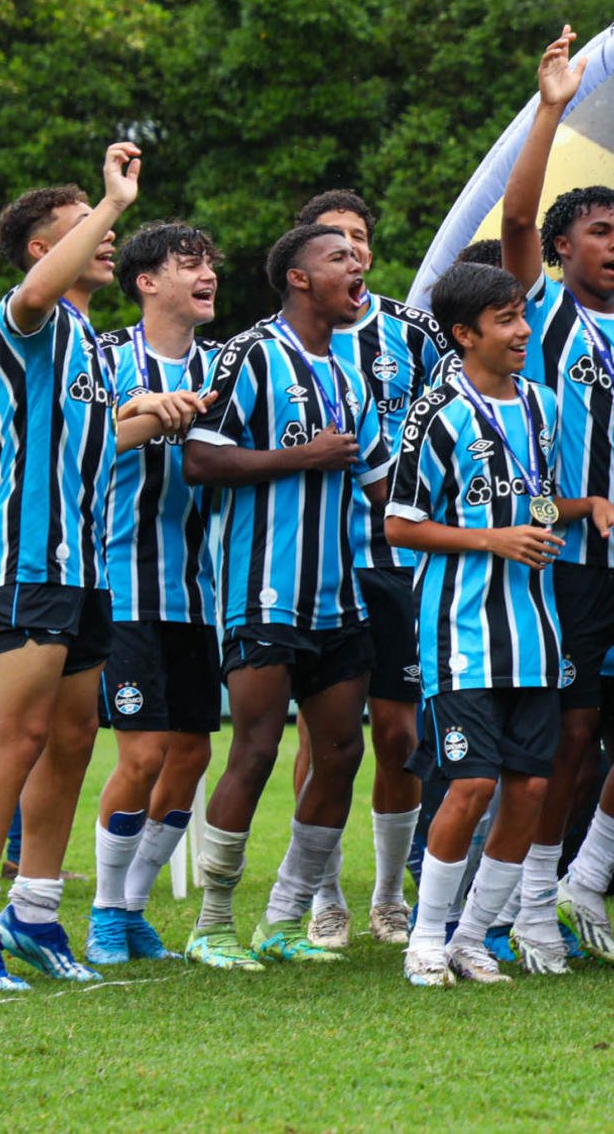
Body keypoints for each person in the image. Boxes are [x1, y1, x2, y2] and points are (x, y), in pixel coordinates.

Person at [0, 145, 197, 991]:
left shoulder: (87, 341)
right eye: (80, 227)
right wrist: (115, 201)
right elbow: (36, 294)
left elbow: (90, 438)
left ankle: (35, 912)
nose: (105, 238)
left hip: (85, 566)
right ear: (46, 250)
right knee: (18, 735)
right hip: (27, 560)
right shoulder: (31, 316)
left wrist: (150, 415)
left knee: (75, 738)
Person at [386, 262, 614, 985]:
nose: (523, 330)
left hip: (535, 631)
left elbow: (534, 501)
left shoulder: (543, 404)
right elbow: (400, 525)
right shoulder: (438, 411)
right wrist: (494, 539)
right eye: (505, 320)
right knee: (471, 786)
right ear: (465, 334)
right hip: (461, 632)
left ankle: (472, 935)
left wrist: (587, 508)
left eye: (524, 315)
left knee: (529, 788)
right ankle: (425, 936)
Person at [492, 27, 614, 972]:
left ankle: (581, 884)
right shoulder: (546, 307)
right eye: (598, 235)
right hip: (562, 564)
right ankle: (529, 907)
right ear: (562, 251)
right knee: (565, 738)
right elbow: (523, 218)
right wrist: (552, 107)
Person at [181, 224, 392, 968]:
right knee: (258, 747)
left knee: (340, 750)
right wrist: (302, 455)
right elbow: (200, 460)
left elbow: (379, 485)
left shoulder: (353, 376)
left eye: (356, 255)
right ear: (299, 278)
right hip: (263, 590)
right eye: (338, 257)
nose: (356, 264)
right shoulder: (249, 353)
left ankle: (283, 918)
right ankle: (210, 925)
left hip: (340, 598)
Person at [295, 190, 449, 949]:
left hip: (398, 561)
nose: (351, 252)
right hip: (318, 558)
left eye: (360, 239)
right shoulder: (287, 342)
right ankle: (323, 896)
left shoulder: (413, 333)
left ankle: (389, 894)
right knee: (320, 737)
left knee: (396, 732)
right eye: (335, 242)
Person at [87, 222, 225, 966]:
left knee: (193, 751)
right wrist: (146, 416)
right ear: (146, 280)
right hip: (121, 586)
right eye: (188, 264)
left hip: (197, 594)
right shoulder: (107, 359)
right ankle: (105, 913)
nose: (207, 274)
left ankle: (133, 906)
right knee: (140, 753)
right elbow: (79, 443)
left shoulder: (225, 368)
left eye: (211, 264)